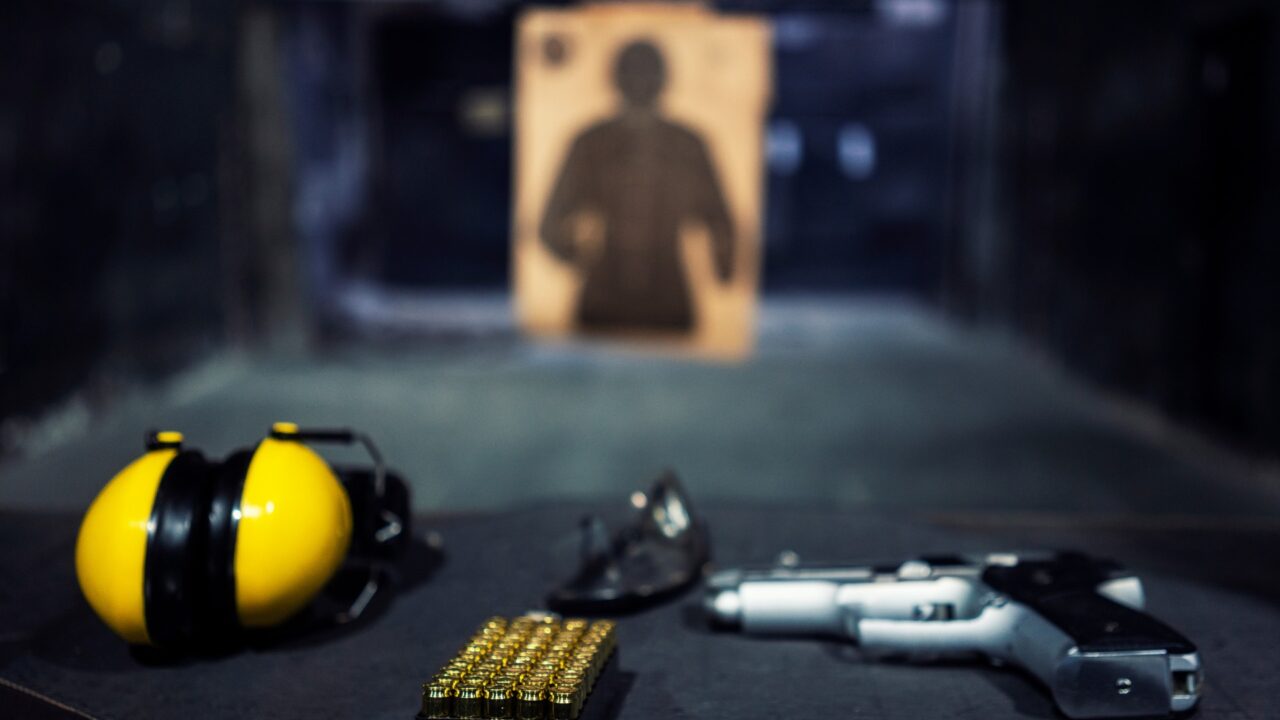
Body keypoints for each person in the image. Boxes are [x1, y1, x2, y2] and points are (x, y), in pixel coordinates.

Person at [539, 39, 735, 333]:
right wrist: (576, 255)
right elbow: (550, 225)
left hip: (668, 301)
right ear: (617, 78)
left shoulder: (689, 146)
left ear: (663, 79)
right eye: (633, 72)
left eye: (648, 72)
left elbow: (721, 223)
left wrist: (724, 269)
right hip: (603, 299)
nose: (640, 81)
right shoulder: (590, 144)